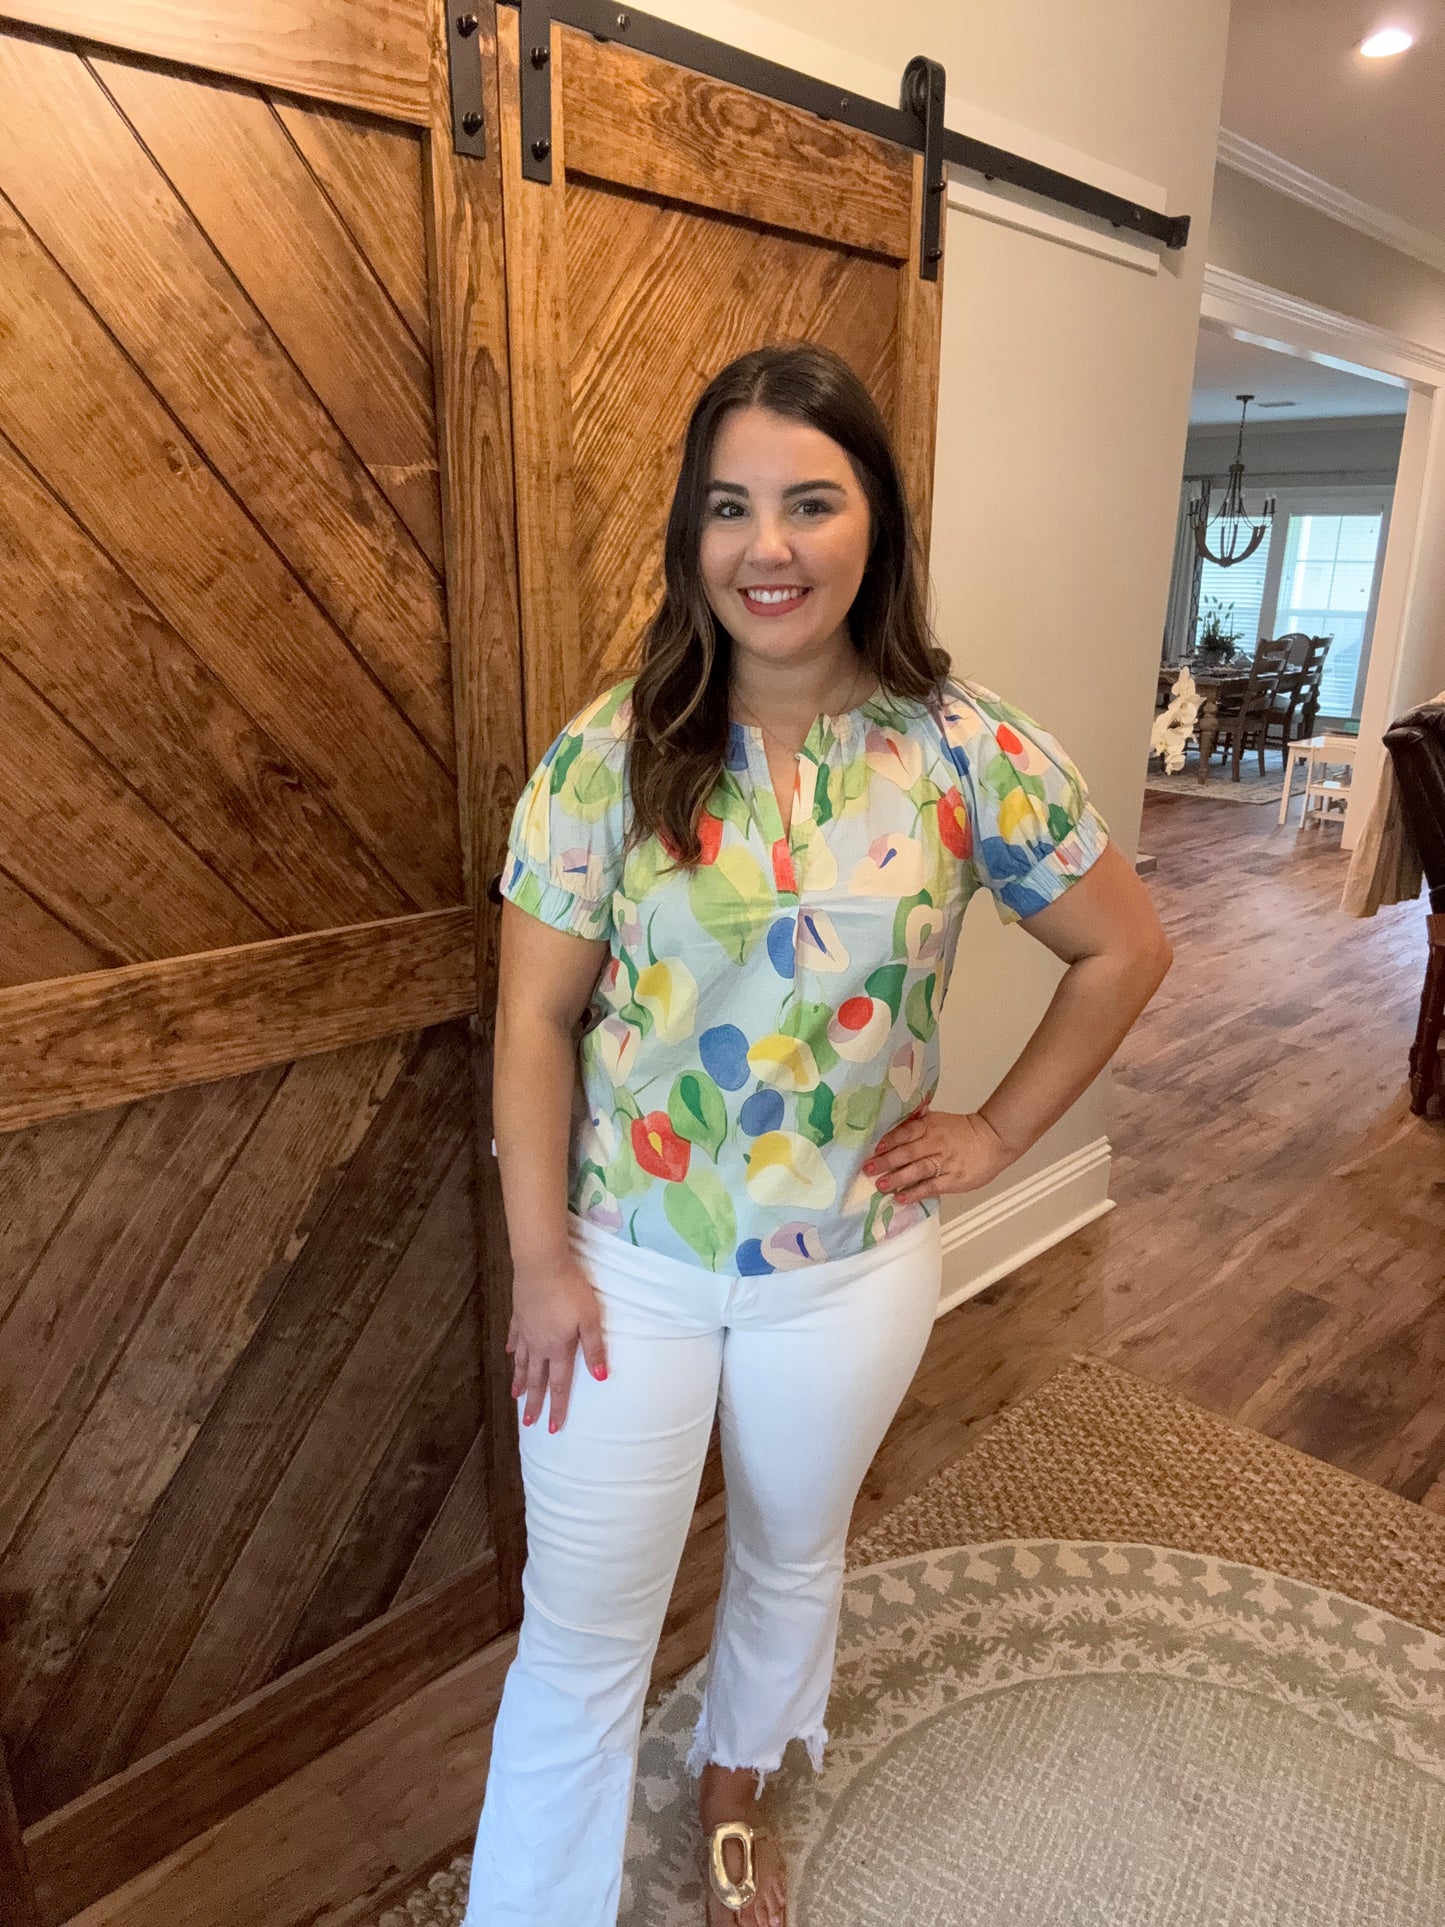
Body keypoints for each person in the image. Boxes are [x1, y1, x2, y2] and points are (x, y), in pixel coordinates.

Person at [461, 342, 1172, 1927]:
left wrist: (998, 1132)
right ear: (689, 535)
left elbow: (1123, 948)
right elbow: (530, 1022)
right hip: (619, 1273)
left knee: (790, 1556)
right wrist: (538, 1268)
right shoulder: (607, 754)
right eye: (728, 508)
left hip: (845, 1274)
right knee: (581, 1636)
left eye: (806, 501)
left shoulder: (963, 746)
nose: (763, 547)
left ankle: (733, 1795)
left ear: (875, 524)